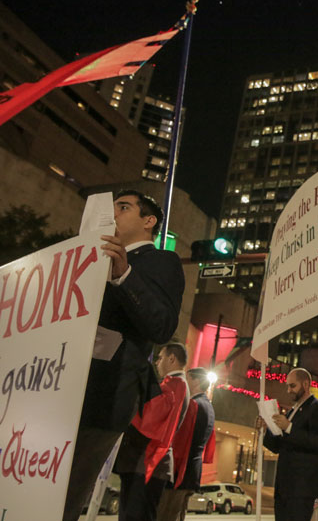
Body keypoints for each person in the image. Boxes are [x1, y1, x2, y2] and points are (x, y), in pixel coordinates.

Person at [62, 190, 185, 521]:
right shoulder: (85, 259)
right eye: (112, 206)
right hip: (56, 386)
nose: (113, 212)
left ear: (149, 221)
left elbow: (161, 326)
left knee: (61, 500)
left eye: (124, 206)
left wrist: (123, 275)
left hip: (101, 395)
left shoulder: (160, 261)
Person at [116, 343, 190, 521]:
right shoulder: (174, 385)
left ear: (172, 359)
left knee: (136, 515)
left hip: (148, 462)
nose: (157, 362)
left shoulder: (176, 385)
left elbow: (151, 420)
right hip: (145, 462)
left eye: (161, 357)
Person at [257, 368, 318, 521]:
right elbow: (278, 446)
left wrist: (289, 427)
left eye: (292, 386)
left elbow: (317, 443)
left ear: (305, 384)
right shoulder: (292, 412)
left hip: (301, 488)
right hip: (284, 487)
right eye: (287, 386)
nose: (288, 390)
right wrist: (266, 430)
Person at [156, 367, 216, 521]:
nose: (185, 383)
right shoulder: (208, 406)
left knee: (166, 514)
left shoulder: (193, 405)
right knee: (178, 514)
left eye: (187, 379)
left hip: (180, 471)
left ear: (196, 381)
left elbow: (180, 441)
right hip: (192, 471)